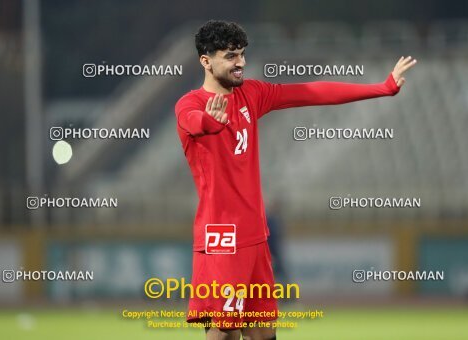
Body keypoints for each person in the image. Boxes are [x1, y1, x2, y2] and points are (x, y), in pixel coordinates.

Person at [174, 20, 416, 340]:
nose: (241, 62)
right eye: (231, 56)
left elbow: (312, 91)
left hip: (256, 234)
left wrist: (381, 88)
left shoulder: (252, 94)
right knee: (223, 332)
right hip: (222, 236)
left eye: (243, 54)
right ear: (206, 61)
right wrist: (210, 121)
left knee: (264, 333)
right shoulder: (190, 104)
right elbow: (193, 123)